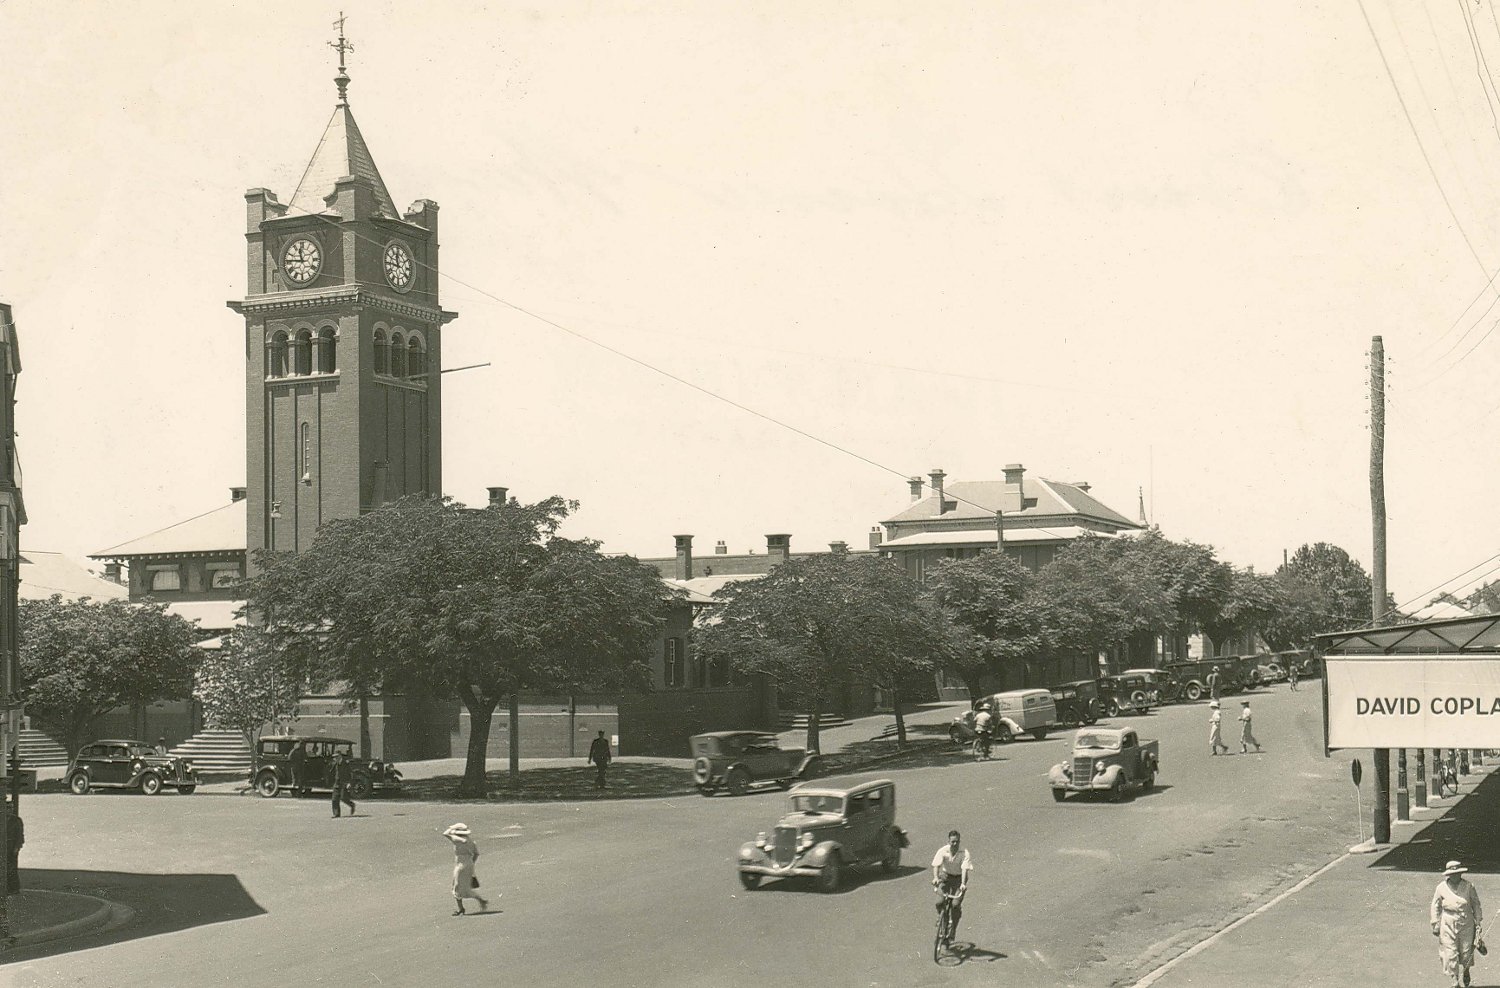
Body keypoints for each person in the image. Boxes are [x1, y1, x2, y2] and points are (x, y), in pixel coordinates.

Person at [1432, 860, 1484, 987]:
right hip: (1447, 924)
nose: (1455, 875)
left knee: (1466, 952)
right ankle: (1454, 980)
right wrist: (1435, 923)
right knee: (1450, 953)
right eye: (1452, 873)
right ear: (1448, 874)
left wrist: (1478, 921)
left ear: (1461, 873)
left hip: (1466, 924)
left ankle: (1466, 971)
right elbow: (1435, 906)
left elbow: (1476, 904)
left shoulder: (1469, 886)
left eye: (1458, 873)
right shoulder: (1441, 888)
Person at [931, 829, 973, 946]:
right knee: (939, 902)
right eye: (952, 842)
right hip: (945, 877)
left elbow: (964, 869)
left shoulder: (964, 853)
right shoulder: (943, 851)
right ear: (948, 841)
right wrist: (935, 878)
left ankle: (953, 928)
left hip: (959, 879)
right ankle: (942, 921)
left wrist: (963, 884)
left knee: (955, 905)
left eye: (957, 842)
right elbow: (936, 865)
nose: (955, 844)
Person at [441, 822, 489, 916]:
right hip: (469, 863)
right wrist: (471, 863)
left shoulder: (457, 840)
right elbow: (476, 854)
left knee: (457, 887)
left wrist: (452, 827)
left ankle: (464, 907)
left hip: (460, 865)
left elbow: (445, 833)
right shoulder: (471, 841)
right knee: (461, 886)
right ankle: (475, 902)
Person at [329, 751, 356, 818]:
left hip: (345, 783)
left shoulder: (346, 763)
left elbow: (352, 774)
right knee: (334, 799)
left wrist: (350, 783)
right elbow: (331, 772)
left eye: (336, 757)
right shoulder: (335, 764)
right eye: (334, 757)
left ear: (340, 756)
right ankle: (336, 814)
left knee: (343, 798)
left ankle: (352, 805)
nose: (335, 758)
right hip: (337, 783)